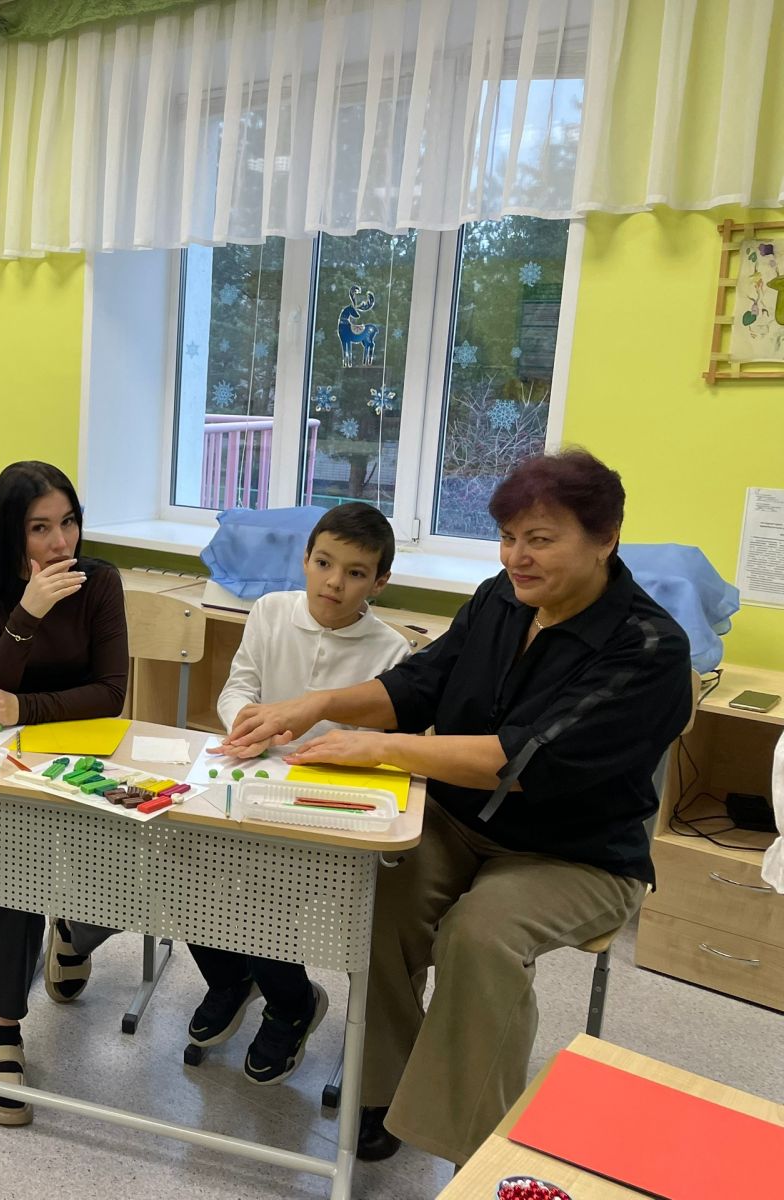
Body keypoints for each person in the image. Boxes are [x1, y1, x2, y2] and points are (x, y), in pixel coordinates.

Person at [224, 449, 692, 1166]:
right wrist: (312, 706)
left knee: (478, 936)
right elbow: (417, 686)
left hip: (575, 854)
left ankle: (471, 1150)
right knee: (376, 906)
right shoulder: (501, 597)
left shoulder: (648, 648)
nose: (517, 557)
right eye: (508, 538)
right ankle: (387, 1092)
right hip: (455, 822)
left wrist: (380, 749)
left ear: (606, 539)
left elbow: (523, 760)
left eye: (540, 540)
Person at [188, 502, 411, 1082]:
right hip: (249, 774)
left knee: (266, 890)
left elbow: (376, 743)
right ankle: (230, 979)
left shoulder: (390, 651)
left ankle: (292, 1004)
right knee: (185, 863)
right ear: (305, 559)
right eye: (324, 563)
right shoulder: (270, 611)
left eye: (356, 573)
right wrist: (246, 724)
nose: (334, 582)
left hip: (325, 806)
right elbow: (237, 688)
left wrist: (310, 748)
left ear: (379, 582)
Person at [0, 461, 128, 1127]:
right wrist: (28, 613)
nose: (60, 543)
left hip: (90, 755)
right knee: (20, 874)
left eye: (69, 523)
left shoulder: (100, 580)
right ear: (9, 533)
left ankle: (73, 934)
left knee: (123, 879)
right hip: (10, 764)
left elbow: (111, 694)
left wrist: (24, 705)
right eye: (40, 528)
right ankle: (3, 1029)